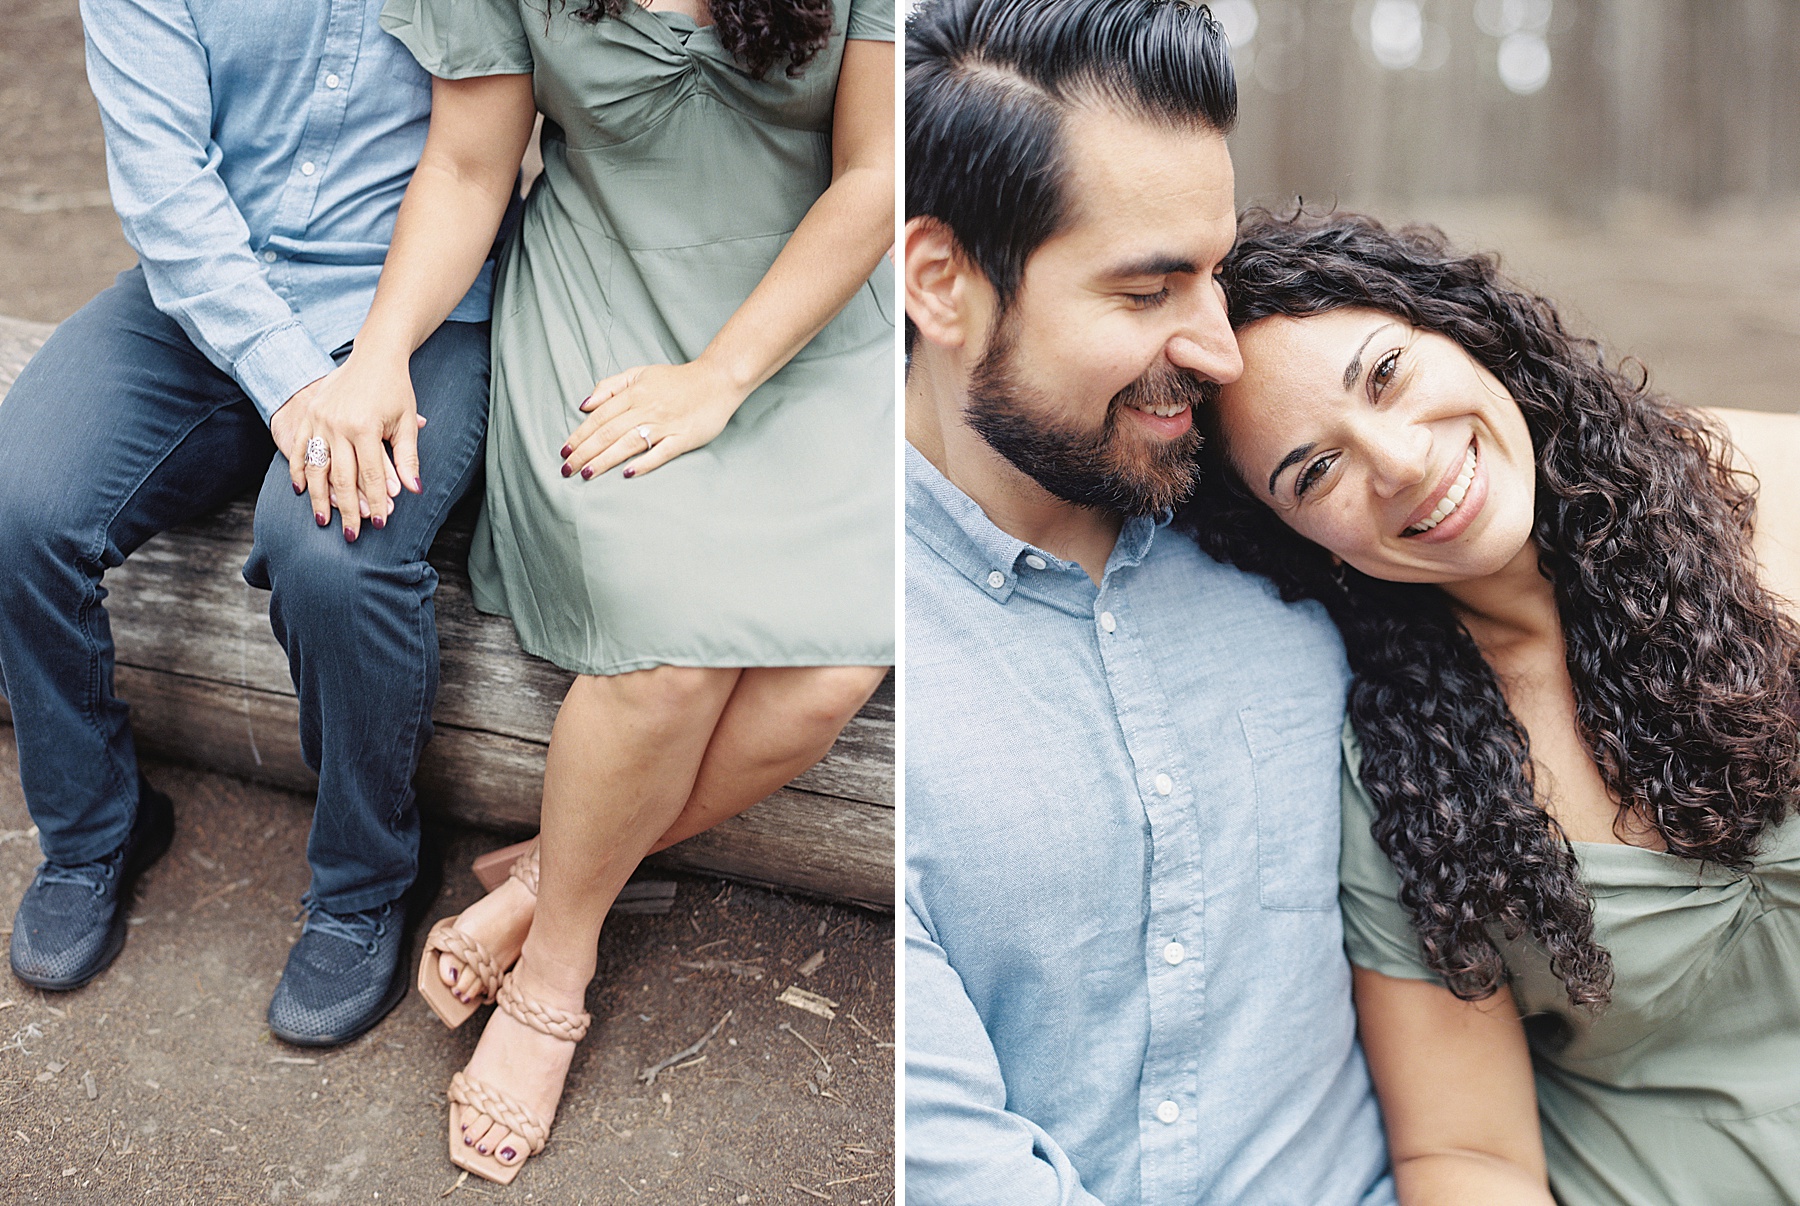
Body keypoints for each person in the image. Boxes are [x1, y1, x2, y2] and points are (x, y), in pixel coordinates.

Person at [340, 0, 893, 1182]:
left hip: (804, 325)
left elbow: (878, 178)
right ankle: (553, 976)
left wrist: (720, 379)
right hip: (603, 308)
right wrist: (382, 351)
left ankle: (545, 882)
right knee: (668, 656)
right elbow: (467, 162)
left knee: (835, 669)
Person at [1187, 209, 1800, 1206]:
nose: (1399, 462)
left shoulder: (1773, 486)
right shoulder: (1409, 781)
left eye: (1384, 375)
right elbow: (1468, 1159)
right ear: (1301, 540)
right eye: (1317, 471)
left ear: (1459, 324)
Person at [903, 2, 1396, 1202]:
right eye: (1146, 292)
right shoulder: (876, 620)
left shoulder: (1294, 509)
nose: (1220, 348)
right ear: (941, 282)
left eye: (1215, 273)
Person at [0, 0, 502, 1046]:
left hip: (414, 306)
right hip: (207, 294)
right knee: (22, 502)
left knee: (333, 554)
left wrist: (363, 371)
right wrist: (292, 390)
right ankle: (97, 829)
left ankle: (367, 883)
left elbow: (480, 150)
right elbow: (167, 190)